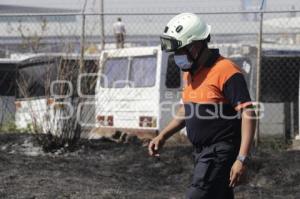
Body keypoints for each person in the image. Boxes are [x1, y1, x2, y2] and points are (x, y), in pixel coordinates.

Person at [148, 13, 257, 199]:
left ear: (196, 46)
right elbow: (186, 110)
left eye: (180, 51)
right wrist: (163, 135)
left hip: (219, 153)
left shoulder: (226, 71)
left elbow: (248, 112)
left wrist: (241, 159)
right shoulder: (189, 73)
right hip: (200, 153)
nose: (177, 57)